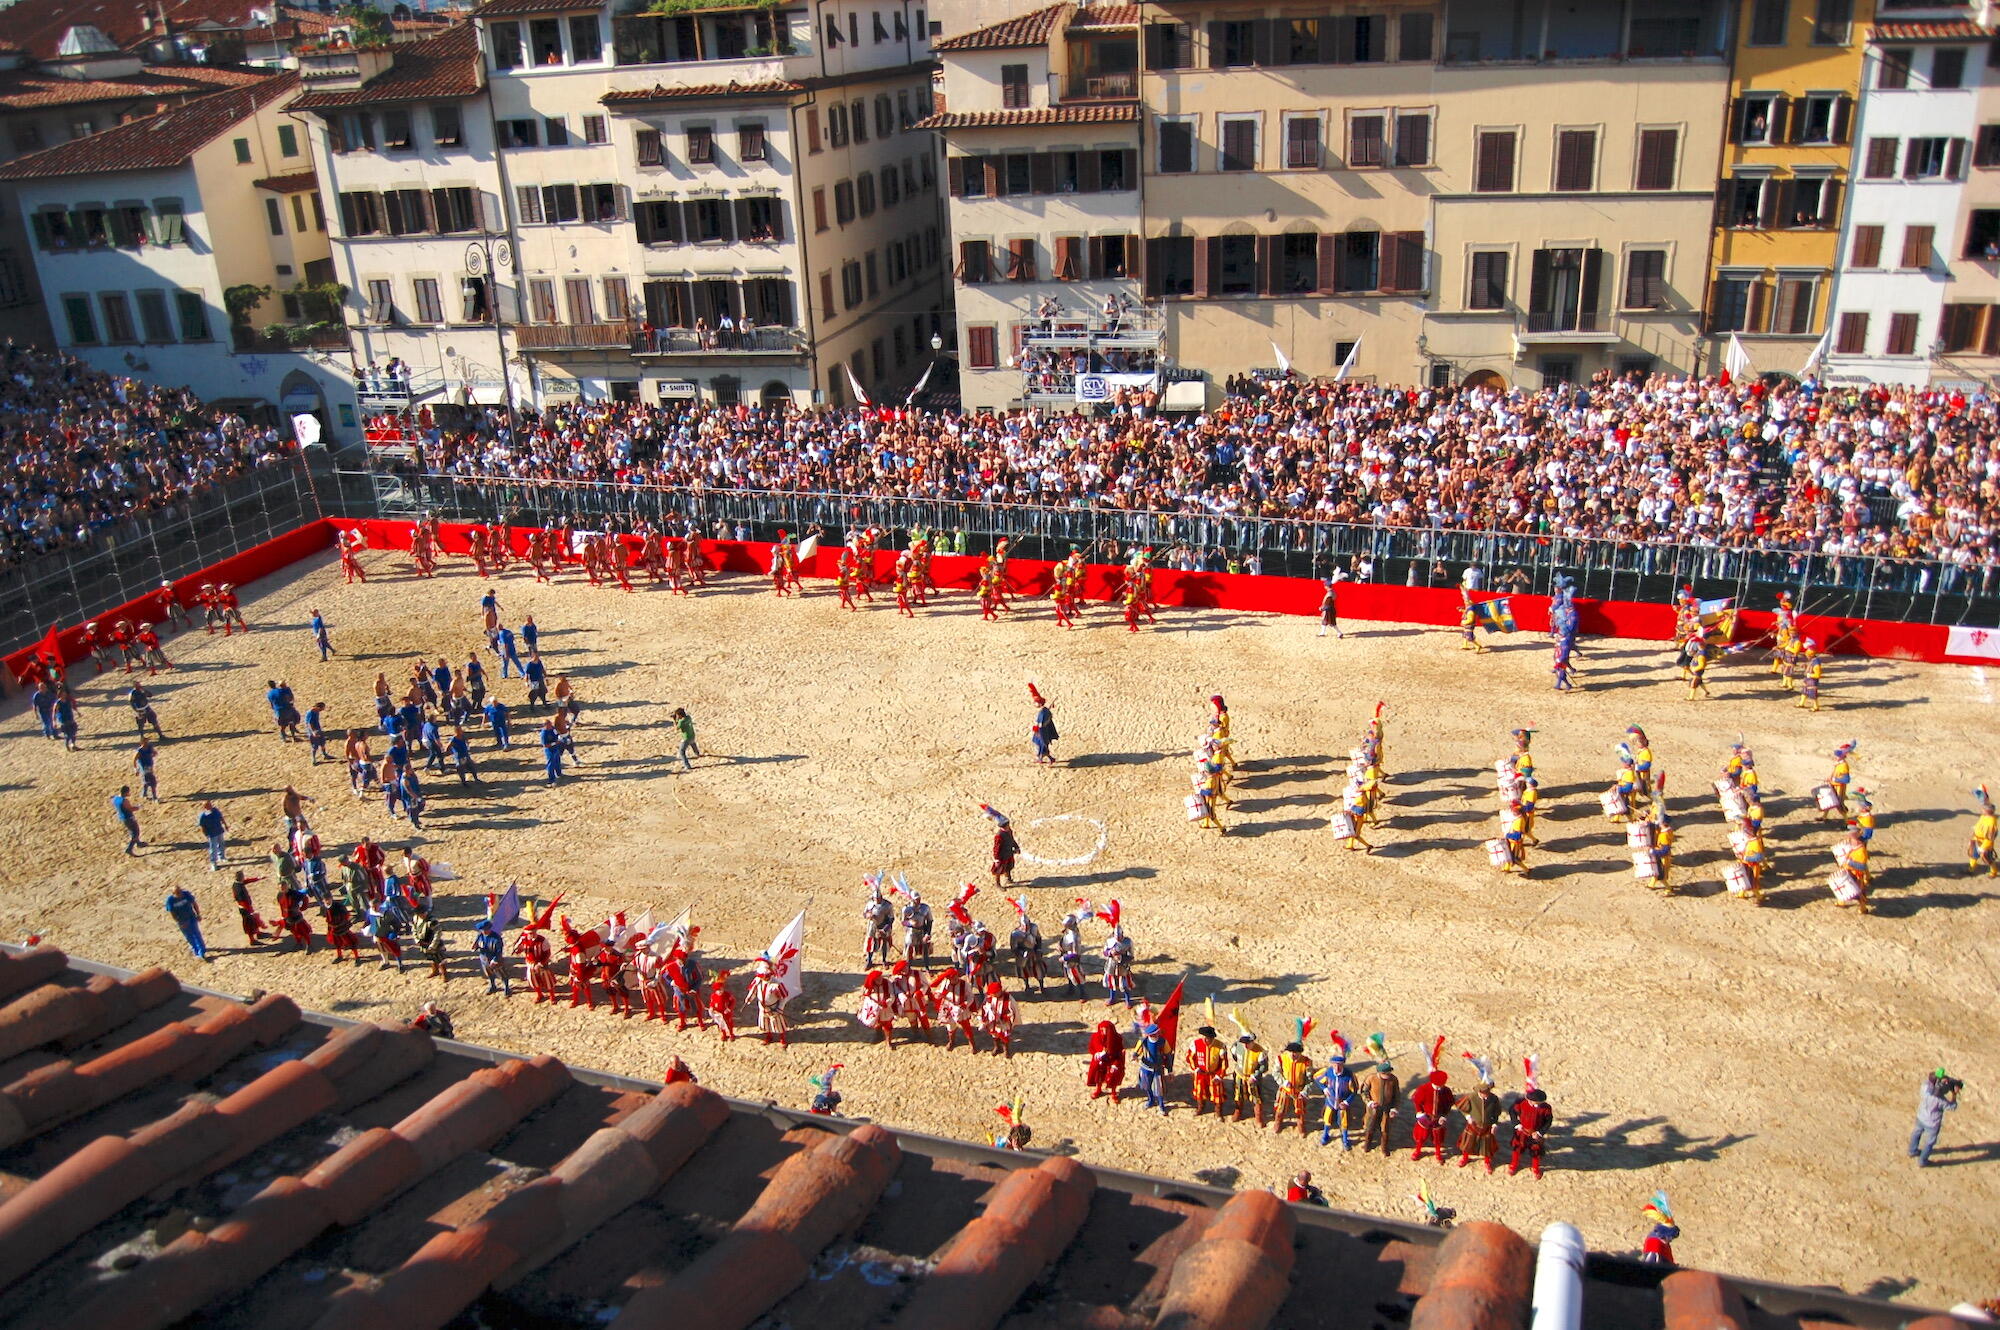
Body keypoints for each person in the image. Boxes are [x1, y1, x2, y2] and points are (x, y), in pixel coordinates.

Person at [1909, 1068, 1962, 1166]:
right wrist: (1954, 1094)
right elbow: (1953, 1107)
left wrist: (1940, 1079)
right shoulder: (1941, 1101)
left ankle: (1912, 1151)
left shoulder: (1924, 1088)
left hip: (1921, 1117)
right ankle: (1922, 1161)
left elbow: (1929, 1081)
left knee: (1916, 1133)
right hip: (1932, 1123)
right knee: (1930, 1142)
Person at [1361, 1058, 1401, 1153]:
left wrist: (1394, 1108)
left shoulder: (1393, 1079)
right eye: (1385, 1073)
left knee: (1385, 1128)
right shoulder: (1371, 1078)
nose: (1387, 1075)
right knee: (1370, 1127)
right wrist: (1369, 1102)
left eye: (1388, 1073)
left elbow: (1397, 1096)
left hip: (1386, 1109)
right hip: (1373, 1109)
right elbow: (1364, 1092)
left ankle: (1384, 1146)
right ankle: (1367, 1144)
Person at [165, 884, 208, 961]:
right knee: (189, 936)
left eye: (180, 892)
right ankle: (195, 949)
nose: (179, 894)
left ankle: (202, 951)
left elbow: (194, 904)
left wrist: (198, 914)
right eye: (177, 893)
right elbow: (172, 913)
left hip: (191, 917)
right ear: (173, 893)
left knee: (196, 933)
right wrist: (179, 922)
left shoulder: (186, 894)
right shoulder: (170, 900)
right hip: (182, 920)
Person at [1086, 1019, 1125, 1101]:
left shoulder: (1117, 1039)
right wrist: (1096, 1053)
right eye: (1102, 1029)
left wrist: (1116, 1064)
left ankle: (1113, 1092)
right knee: (1098, 1077)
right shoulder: (1095, 1037)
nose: (1103, 1032)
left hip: (1112, 1061)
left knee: (1113, 1078)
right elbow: (1091, 1048)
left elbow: (1119, 1053)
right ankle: (1098, 1090)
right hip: (1100, 1062)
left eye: (1105, 1030)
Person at [198, 799, 228, 869]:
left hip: (219, 831)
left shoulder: (215, 811)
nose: (210, 806)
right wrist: (206, 834)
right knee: (213, 848)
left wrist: (225, 825)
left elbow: (221, 817)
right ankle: (213, 862)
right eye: (208, 805)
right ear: (205, 807)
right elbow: (202, 826)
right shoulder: (203, 816)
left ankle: (222, 857)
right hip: (211, 834)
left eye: (210, 804)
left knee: (221, 844)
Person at [112, 785, 142, 855]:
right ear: (125, 793)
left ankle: (138, 843)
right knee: (136, 833)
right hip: (129, 818)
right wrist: (138, 807)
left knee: (132, 831)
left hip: (122, 818)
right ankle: (129, 848)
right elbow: (130, 808)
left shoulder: (115, 798)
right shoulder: (124, 800)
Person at [1318, 575, 1344, 639]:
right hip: (1330, 609)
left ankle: (1339, 632)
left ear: (1327, 586)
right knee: (1325, 621)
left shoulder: (1329, 594)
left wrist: (1322, 608)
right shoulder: (1332, 592)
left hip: (1328, 610)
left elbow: (1327, 604)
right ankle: (1322, 632)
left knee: (1331, 623)